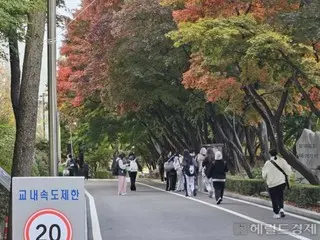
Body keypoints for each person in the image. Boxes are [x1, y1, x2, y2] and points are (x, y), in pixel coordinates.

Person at [262, 149, 292, 218]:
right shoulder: (282, 160)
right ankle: (281, 209)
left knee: (274, 199)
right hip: (281, 182)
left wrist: (266, 178)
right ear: (277, 153)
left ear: (270, 154)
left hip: (272, 184)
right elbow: (288, 171)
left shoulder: (267, 163)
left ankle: (276, 213)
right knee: (280, 196)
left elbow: (263, 175)